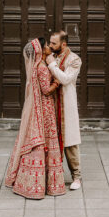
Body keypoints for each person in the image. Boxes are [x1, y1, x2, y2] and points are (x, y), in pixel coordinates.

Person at [5, 37, 66, 199]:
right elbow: (46, 90)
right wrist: (57, 83)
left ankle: (31, 182)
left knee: (40, 142)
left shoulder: (37, 66)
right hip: (45, 108)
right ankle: (40, 184)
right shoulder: (42, 68)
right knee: (45, 140)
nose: (48, 48)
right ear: (39, 50)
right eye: (46, 45)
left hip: (41, 107)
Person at [46, 30, 82, 190]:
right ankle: (53, 176)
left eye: (54, 43)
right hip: (50, 104)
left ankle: (77, 177)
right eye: (50, 42)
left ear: (64, 44)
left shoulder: (74, 60)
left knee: (70, 142)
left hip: (67, 105)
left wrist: (51, 64)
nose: (50, 45)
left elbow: (66, 79)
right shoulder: (49, 57)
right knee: (50, 140)